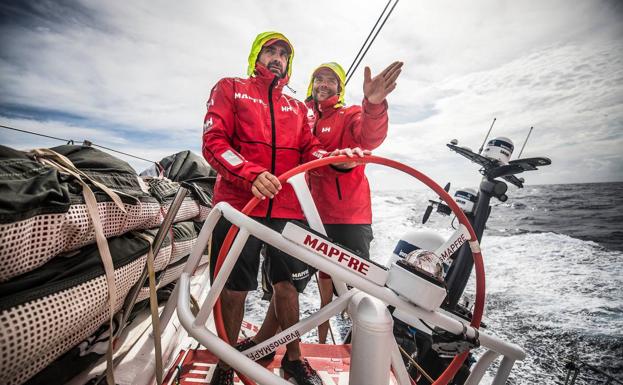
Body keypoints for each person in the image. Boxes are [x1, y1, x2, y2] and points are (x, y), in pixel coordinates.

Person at [202, 31, 364, 385]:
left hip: (288, 210)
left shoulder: (295, 108)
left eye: (283, 54)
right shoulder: (230, 87)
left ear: (289, 63)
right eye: (270, 51)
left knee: (288, 286)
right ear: (256, 55)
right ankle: (227, 363)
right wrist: (249, 174)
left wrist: (336, 158)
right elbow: (213, 141)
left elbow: (310, 149)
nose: (277, 58)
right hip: (240, 205)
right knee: (234, 289)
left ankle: (293, 359)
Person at [305, 61, 402, 343]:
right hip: (313, 215)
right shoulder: (305, 118)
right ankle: (322, 345)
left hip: (350, 218)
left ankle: (361, 350)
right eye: (318, 78)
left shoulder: (350, 114)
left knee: (355, 293)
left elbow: (370, 136)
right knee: (324, 288)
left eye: (331, 80)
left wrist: (374, 104)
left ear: (340, 87)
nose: (324, 84)